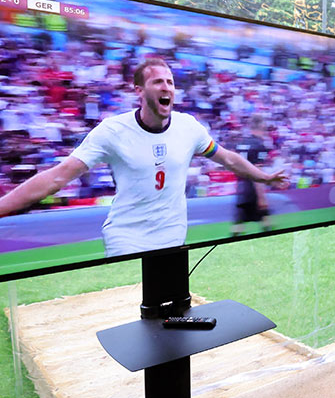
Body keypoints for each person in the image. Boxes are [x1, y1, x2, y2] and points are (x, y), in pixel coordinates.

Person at [0, 57, 288, 256]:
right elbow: (56, 177)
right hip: (127, 239)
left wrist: (264, 177)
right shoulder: (112, 131)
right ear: (139, 90)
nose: (167, 88)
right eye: (158, 82)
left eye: (171, 82)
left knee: (170, 315)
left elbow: (229, 159)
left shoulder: (189, 127)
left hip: (173, 238)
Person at [231, 113, 273, 234]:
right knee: (266, 219)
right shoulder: (260, 145)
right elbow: (257, 171)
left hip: (241, 188)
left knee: (238, 224)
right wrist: (261, 196)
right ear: (261, 125)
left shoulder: (241, 143)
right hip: (253, 188)